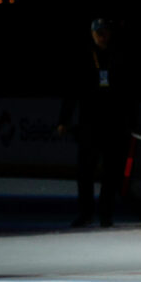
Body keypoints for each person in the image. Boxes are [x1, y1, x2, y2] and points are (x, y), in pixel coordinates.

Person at [56, 18, 132, 227]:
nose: (102, 35)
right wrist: (64, 119)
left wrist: (129, 121)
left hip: (113, 124)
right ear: (92, 34)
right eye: (98, 32)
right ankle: (86, 213)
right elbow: (72, 91)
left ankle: (106, 214)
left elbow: (127, 92)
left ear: (110, 33)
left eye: (104, 31)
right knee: (85, 171)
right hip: (89, 124)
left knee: (111, 172)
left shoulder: (118, 57)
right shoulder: (84, 58)